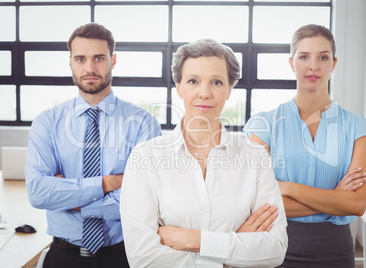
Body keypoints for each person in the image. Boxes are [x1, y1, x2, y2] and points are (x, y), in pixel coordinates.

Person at [120, 39, 288, 267]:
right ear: (178, 88)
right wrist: (229, 256)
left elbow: (274, 249)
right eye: (193, 81)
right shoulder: (145, 157)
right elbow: (143, 258)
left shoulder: (255, 157)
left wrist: (192, 239)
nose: (204, 93)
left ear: (229, 89)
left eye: (216, 82)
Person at [25, 22, 161, 268]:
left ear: (113, 59)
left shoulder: (143, 123)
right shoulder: (47, 123)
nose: (89, 68)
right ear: (70, 62)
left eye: (99, 58)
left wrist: (69, 199)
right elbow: (38, 192)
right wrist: (107, 183)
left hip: (124, 257)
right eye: (80, 59)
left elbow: (144, 200)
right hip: (62, 257)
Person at [243, 24, 366, 267]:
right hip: (275, 243)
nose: (313, 66)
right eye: (304, 57)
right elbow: (258, 203)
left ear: (334, 63)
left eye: (323, 57)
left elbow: (357, 204)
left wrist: (287, 187)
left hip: (336, 249)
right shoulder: (264, 124)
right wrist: (336, 200)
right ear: (292, 63)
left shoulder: (356, 127)